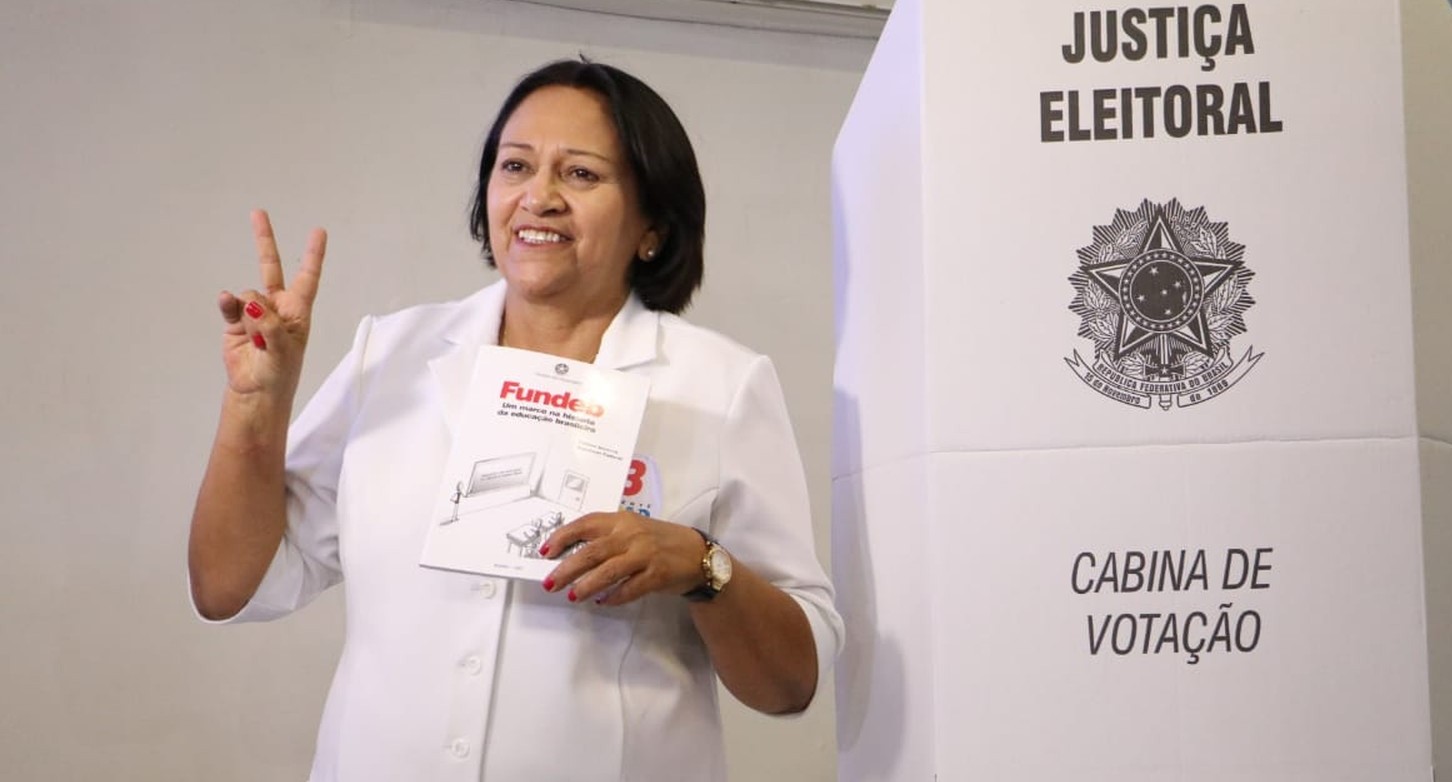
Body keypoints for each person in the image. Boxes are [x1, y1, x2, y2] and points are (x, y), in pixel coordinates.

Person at [188, 58, 843, 781]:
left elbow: (791, 683)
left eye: (581, 174)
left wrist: (701, 565)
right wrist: (256, 404)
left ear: (652, 225)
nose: (539, 197)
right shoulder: (392, 355)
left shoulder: (721, 385)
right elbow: (229, 587)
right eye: (516, 166)